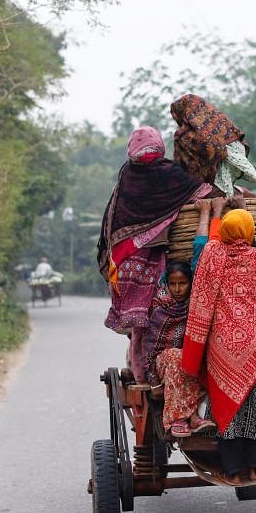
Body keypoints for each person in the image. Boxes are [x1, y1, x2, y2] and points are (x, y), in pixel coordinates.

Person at [182, 208, 256, 484]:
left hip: (221, 346)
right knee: (254, 406)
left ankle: (230, 469)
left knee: (225, 408)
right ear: (249, 231)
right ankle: (255, 467)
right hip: (254, 342)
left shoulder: (212, 253)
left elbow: (202, 298)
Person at [97, 125, 208, 383]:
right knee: (157, 319)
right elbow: (201, 189)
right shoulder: (169, 174)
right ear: (160, 146)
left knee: (139, 328)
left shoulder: (126, 175)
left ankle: (143, 375)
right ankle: (152, 372)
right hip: (148, 264)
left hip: (122, 263)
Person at [142, 198, 225, 438]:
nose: (178, 289)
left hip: (193, 359)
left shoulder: (197, 301)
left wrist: (209, 213)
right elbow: (149, 348)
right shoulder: (159, 304)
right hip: (164, 363)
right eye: (173, 284)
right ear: (166, 283)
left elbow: (201, 255)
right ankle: (184, 418)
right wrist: (153, 381)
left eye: (183, 283)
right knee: (177, 356)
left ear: (191, 283)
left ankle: (201, 417)